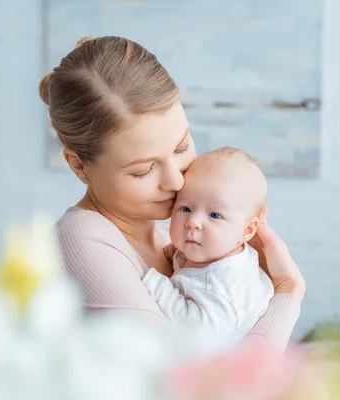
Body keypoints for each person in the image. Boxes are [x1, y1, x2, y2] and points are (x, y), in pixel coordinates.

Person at [40, 35, 305, 351]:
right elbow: (183, 383)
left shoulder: (175, 243)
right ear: (79, 166)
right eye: (143, 170)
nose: (176, 182)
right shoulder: (83, 239)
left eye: (181, 147)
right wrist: (288, 294)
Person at [142, 147, 274, 343]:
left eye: (214, 215)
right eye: (185, 208)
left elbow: (195, 335)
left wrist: (156, 283)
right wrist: (181, 254)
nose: (193, 221)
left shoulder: (222, 287)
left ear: (247, 230)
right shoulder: (217, 251)